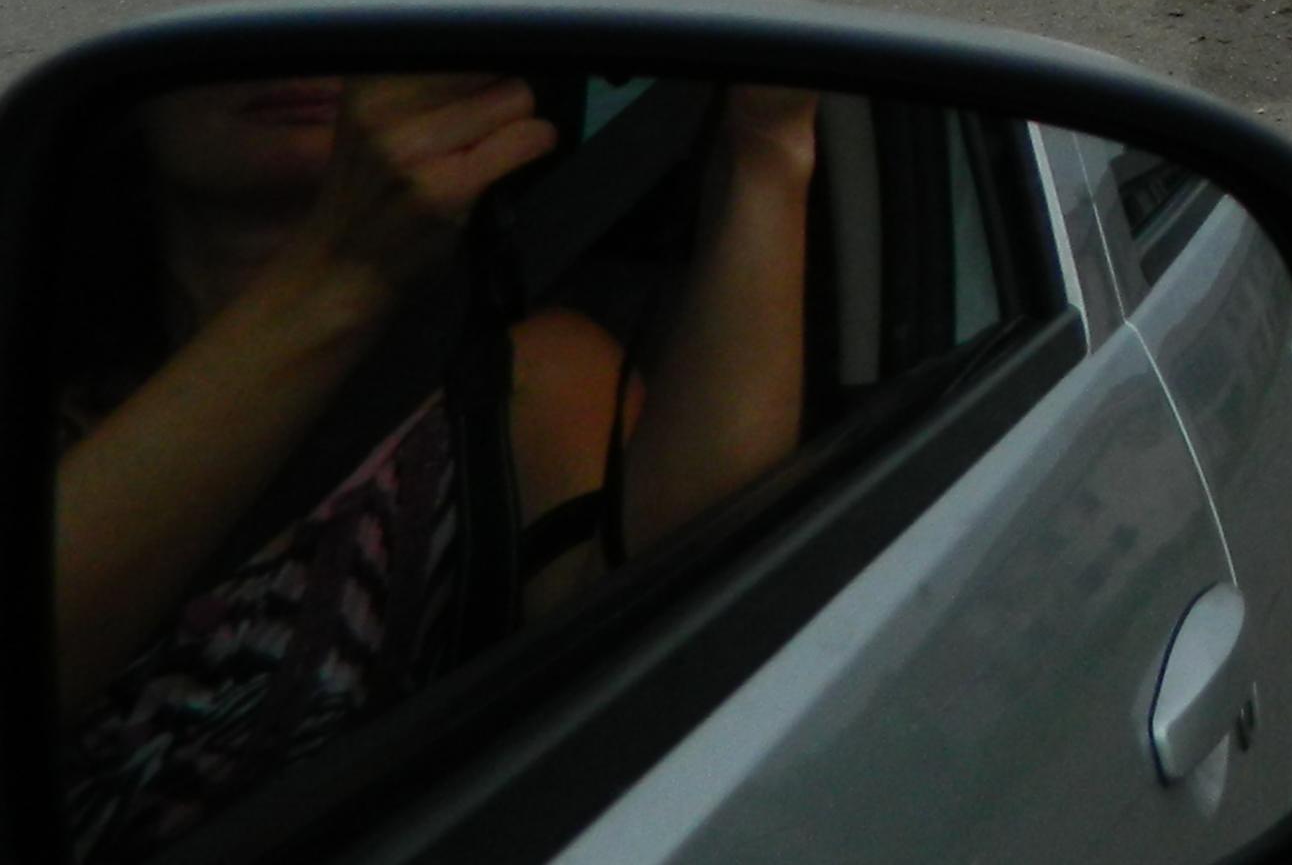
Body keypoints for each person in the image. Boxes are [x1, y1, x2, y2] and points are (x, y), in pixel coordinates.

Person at [50, 72, 819, 862]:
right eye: (233, 17)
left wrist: (768, 150)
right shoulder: (19, 417)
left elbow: (691, 655)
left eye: (351, 10)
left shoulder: (523, 388)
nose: (299, 54)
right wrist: (345, 267)